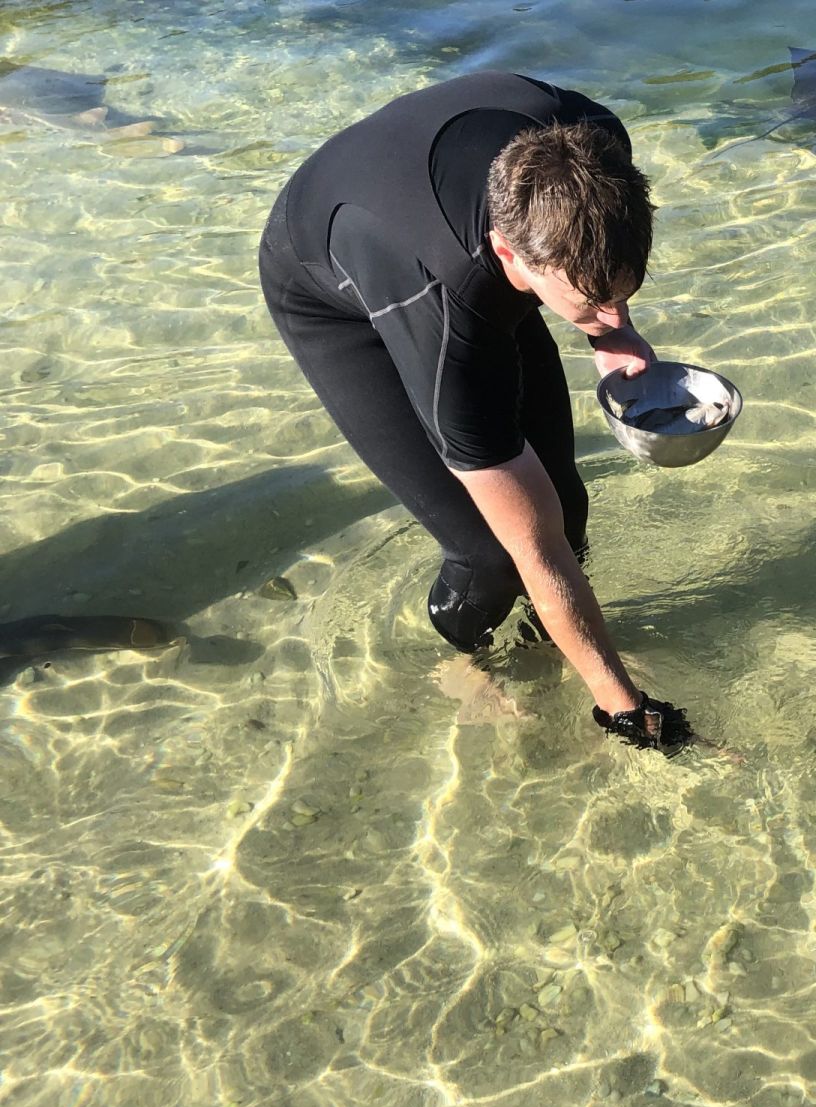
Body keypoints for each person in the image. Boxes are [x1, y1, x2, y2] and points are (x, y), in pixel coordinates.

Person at [257, 71, 688, 752]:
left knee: (566, 505)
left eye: (622, 293)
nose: (609, 311)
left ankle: (561, 642)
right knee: (491, 551)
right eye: (590, 304)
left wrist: (608, 332)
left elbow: (593, 272)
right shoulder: (445, 319)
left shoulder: (599, 147)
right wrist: (625, 710)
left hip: (437, 222)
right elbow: (532, 546)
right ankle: (462, 664)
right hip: (333, 285)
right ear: (511, 251)